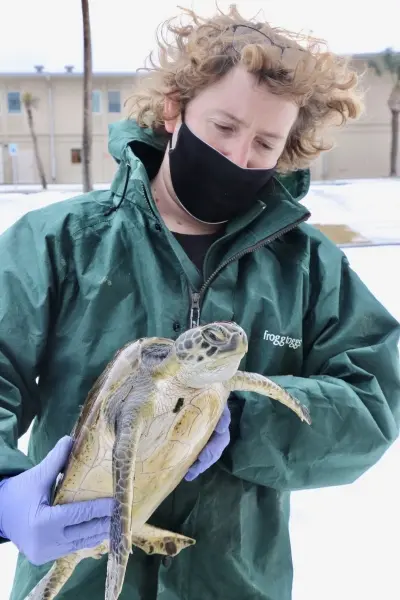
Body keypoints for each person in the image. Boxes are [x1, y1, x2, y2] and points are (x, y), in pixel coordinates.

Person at [0, 5, 399, 600]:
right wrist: (5, 491)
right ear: (174, 110)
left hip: (236, 583)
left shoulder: (308, 264)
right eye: (224, 127)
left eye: (266, 142)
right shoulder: (61, 243)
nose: (240, 157)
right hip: (78, 577)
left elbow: (372, 402)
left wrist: (236, 420)